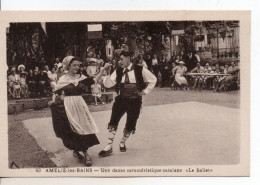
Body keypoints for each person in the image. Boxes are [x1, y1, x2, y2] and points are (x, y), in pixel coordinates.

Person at [48, 56, 110, 166]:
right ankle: (76, 151)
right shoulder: (63, 79)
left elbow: (94, 80)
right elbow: (56, 92)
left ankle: (85, 153)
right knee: (72, 128)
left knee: (83, 127)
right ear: (68, 66)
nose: (77, 67)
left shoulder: (81, 77)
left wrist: (103, 69)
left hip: (80, 105)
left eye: (78, 65)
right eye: (74, 65)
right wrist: (53, 101)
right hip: (68, 105)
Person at [98, 51, 157, 157]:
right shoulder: (118, 71)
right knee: (113, 121)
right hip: (121, 99)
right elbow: (108, 84)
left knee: (131, 123)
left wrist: (145, 91)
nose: (119, 62)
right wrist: (106, 73)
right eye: (119, 60)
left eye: (121, 59)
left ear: (128, 58)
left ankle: (122, 142)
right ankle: (109, 146)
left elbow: (153, 79)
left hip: (135, 101)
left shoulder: (140, 69)